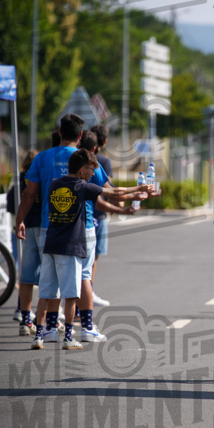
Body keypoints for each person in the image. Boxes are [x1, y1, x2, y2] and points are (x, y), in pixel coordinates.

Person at [16, 113, 150, 344]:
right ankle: (83, 328)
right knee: (80, 281)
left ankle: (45, 330)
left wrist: (19, 220)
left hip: (49, 231)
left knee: (48, 286)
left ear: (59, 132)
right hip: (80, 230)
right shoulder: (84, 164)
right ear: (80, 136)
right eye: (90, 169)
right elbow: (110, 190)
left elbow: (29, 194)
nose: (91, 170)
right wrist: (138, 193)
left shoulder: (44, 162)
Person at [33, 149, 139, 350]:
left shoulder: (55, 183)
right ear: (82, 170)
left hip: (50, 245)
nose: (93, 174)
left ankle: (39, 336)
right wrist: (140, 188)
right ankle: (67, 339)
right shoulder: (82, 187)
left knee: (46, 293)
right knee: (72, 295)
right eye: (91, 170)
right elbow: (114, 192)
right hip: (70, 246)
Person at [8, 149, 41, 333]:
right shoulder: (42, 174)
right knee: (48, 274)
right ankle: (47, 319)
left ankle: (24, 315)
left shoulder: (21, 177)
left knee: (26, 274)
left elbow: (19, 198)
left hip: (26, 224)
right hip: (42, 224)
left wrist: (18, 220)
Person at [90, 123, 113, 307]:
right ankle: (87, 295)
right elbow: (108, 191)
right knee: (92, 259)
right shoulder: (101, 162)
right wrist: (122, 206)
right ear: (104, 141)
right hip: (95, 217)